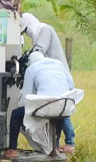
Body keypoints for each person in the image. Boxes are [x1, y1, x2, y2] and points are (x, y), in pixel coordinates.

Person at [20, 12, 75, 153]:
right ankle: (56, 144)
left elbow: (40, 49)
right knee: (61, 110)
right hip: (56, 74)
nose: (27, 34)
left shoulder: (45, 29)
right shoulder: (41, 32)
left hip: (55, 72)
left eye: (26, 30)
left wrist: (25, 58)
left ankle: (69, 142)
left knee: (61, 111)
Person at [6, 49, 77, 158]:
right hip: (65, 105)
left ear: (30, 62)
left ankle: (12, 149)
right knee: (59, 115)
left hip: (45, 107)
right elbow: (71, 86)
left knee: (16, 115)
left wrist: (25, 111)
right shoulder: (59, 64)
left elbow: (26, 97)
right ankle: (55, 146)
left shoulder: (32, 69)